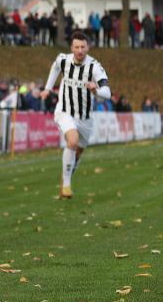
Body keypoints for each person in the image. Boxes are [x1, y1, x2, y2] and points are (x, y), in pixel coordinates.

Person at [40, 30, 111, 199]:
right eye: (76, 47)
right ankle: (66, 186)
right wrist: (47, 89)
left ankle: (67, 180)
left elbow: (107, 92)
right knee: (72, 140)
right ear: (72, 47)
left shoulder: (95, 67)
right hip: (65, 111)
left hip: (85, 117)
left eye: (83, 47)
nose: (80, 50)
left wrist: (97, 90)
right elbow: (55, 68)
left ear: (88, 48)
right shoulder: (63, 60)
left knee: (77, 153)